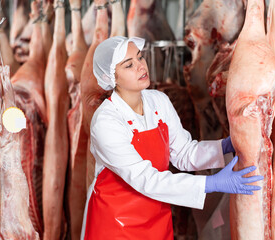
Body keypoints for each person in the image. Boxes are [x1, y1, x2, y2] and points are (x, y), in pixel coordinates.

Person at [81, 36, 263, 240]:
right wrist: (210, 184)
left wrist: (225, 146)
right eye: (129, 65)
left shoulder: (158, 101)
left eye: (140, 58)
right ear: (111, 78)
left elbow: (184, 153)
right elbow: (146, 180)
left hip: (156, 217)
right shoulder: (106, 121)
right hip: (115, 223)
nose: (141, 66)